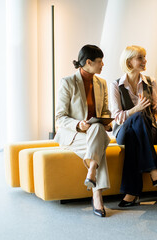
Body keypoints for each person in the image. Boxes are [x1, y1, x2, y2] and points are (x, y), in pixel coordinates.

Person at [109, 45, 157, 207]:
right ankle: (153, 170)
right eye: (140, 57)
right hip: (122, 132)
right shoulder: (116, 85)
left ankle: (132, 194)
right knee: (138, 116)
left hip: (149, 132)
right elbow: (117, 117)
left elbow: (155, 114)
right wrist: (136, 109)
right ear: (129, 62)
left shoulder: (150, 82)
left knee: (136, 135)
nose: (145, 61)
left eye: (144, 57)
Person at [54, 45, 112, 217]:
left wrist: (107, 122)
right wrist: (79, 124)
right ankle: (97, 194)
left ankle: (91, 171)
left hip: (96, 132)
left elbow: (105, 112)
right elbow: (60, 117)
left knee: (97, 128)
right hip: (74, 134)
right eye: (100, 62)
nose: (102, 65)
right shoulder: (68, 82)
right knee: (98, 149)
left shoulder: (101, 83)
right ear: (88, 62)